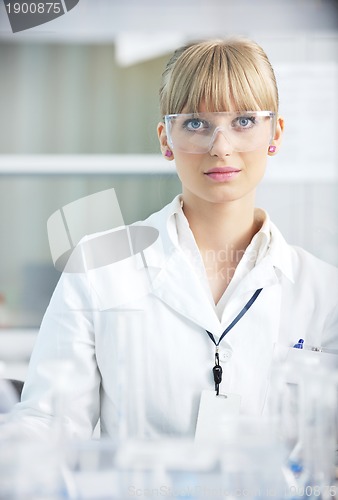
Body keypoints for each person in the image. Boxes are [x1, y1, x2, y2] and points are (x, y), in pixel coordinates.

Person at [2, 37, 338, 441]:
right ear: (165, 139)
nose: (221, 146)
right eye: (196, 123)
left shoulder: (324, 292)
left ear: (276, 134)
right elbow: (48, 423)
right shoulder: (99, 267)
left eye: (244, 121)